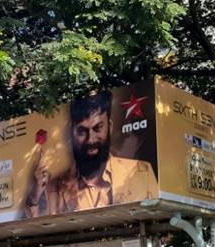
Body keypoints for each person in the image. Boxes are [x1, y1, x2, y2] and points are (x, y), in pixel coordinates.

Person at [24, 91, 157, 219]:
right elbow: (38, 225)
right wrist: (35, 195)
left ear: (109, 127)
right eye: (82, 131)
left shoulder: (141, 172)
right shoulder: (56, 186)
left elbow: (156, 217)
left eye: (98, 128)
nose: (91, 140)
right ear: (72, 133)